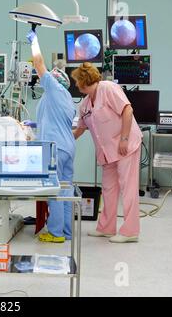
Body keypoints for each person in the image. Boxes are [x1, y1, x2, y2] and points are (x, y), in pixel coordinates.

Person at [72, 62, 143, 243]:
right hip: (107, 152)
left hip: (125, 145)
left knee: (128, 188)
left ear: (83, 80)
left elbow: (127, 110)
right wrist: (61, 141)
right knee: (109, 189)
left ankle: (130, 232)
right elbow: (79, 130)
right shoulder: (85, 104)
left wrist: (124, 139)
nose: (76, 85)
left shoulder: (108, 88)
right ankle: (106, 228)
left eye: (77, 81)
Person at [27, 30, 76, 243]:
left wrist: (35, 42)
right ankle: (65, 232)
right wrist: (35, 124)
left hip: (54, 148)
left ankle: (55, 233)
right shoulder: (66, 98)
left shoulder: (53, 88)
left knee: (54, 190)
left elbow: (38, 64)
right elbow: (56, 121)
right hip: (67, 147)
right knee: (65, 191)